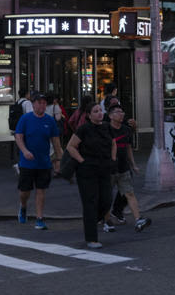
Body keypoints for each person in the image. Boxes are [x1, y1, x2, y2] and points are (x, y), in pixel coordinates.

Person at [65, 102, 115, 248]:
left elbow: (113, 144)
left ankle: (93, 221)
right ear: (89, 115)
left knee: (107, 199)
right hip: (87, 171)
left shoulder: (106, 127)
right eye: (95, 111)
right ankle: (91, 238)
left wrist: (112, 159)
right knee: (90, 202)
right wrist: (82, 161)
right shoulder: (84, 129)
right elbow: (70, 147)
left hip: (104, 169)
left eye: (100, 110)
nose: (100, 113)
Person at [15, 93, 63, 230]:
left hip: (44, 162)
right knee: (25, 192)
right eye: (39, 103)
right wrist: (25, 151)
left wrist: (60, 160)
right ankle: (23, 207)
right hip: (27, 162)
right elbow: (18, 137)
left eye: (44, 103)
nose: (42, 105)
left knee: (41, 190)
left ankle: (39, 218)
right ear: (33, 104)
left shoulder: (50, 121)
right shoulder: (25, 119)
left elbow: (56, 142)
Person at [104, 104, 150, 232]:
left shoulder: (126, 130)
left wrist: (133, 165)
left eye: (122, 112)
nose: (121, 114)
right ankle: (107, 221)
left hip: (123, 167)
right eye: (118, 112)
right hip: (109, 169)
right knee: (106, 196)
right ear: (111, 116)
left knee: (129, 193)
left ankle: (138, 219)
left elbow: (128, 148)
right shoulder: (106, 129)